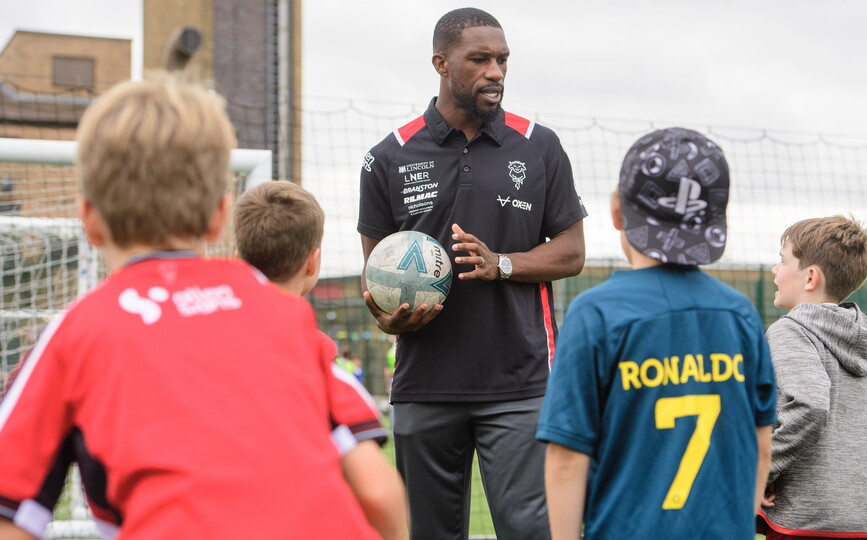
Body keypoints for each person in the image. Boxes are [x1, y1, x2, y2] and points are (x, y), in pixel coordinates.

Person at [0, 75, 381, 540]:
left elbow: (11, 513)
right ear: (220, 215)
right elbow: (378, 494)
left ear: (89, 222)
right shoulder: (284, 316)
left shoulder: (77, 333)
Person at [357, 7, 587, 539]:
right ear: (441, 63)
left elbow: (572, 252)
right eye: (479, 59)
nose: (496, 72)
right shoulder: (386, 157)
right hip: (424, 385)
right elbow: (377, 275)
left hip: (520, 382)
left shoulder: (539, 145)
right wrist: (390, 319)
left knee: (531, 532)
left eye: (503, 59)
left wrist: (502, 263)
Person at [537, 127, 778, 539]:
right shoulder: (740, 314)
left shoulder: (596, 314)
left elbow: (566, 459)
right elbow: (761, 449)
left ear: (617, 211)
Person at [232, 180, 407, 539]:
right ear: (313, 263)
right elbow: (377, 492)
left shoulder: (198, 349)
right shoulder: (316, 363)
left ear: (237, 259)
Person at [757, 216, 867, 539]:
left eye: (782, 260)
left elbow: (810, 407)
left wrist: (760, 470)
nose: (775, 270)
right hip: (865, 520)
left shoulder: (790, 330)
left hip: (806, 523)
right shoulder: (858, 336)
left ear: (811, 277)